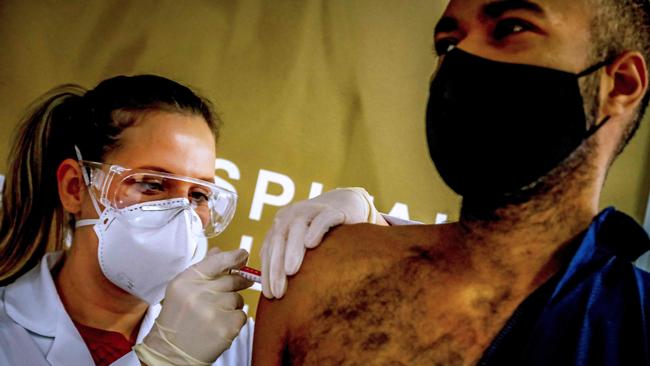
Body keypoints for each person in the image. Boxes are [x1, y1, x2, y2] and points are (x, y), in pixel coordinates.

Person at [252, 0, 650, 364]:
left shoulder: (636, 328)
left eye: (512, 28)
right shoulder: (323, 279)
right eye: (446, 44)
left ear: (620, 83)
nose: (463, 57)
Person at [0, 74, 255, 366]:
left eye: (198, 195)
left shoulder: (236, 342)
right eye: (151, 184)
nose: (183, 214)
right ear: (74, 188)